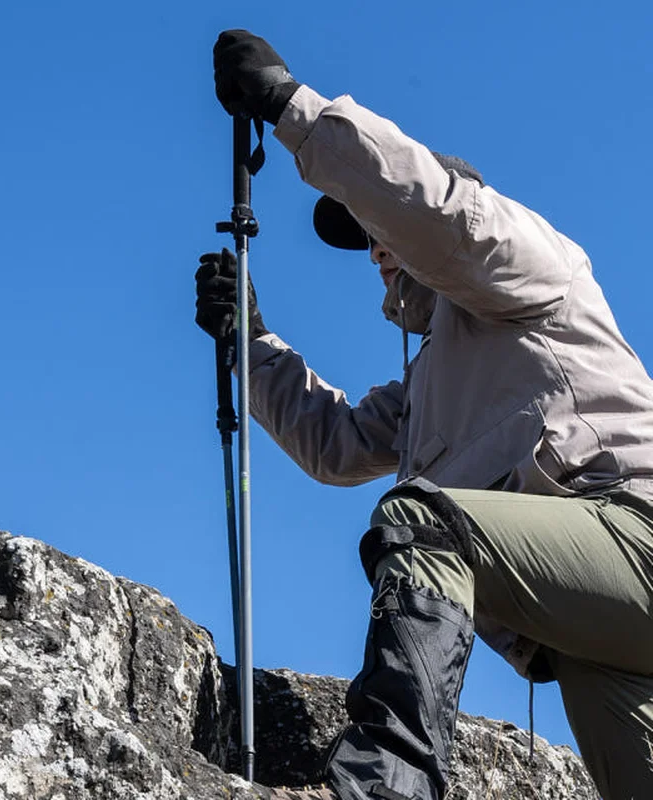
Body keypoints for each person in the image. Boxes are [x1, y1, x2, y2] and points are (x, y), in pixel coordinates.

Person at [195, 29, 653, 800]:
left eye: (377, 225)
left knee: (423, 522)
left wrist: (290, 106)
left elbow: (439, 217)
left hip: (637, 538)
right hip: (595, 632)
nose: (373, 244)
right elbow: (335, 445)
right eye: (366, 236)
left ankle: (386, 789)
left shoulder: (530, 258)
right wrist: (252, 341)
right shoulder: (431, 381)